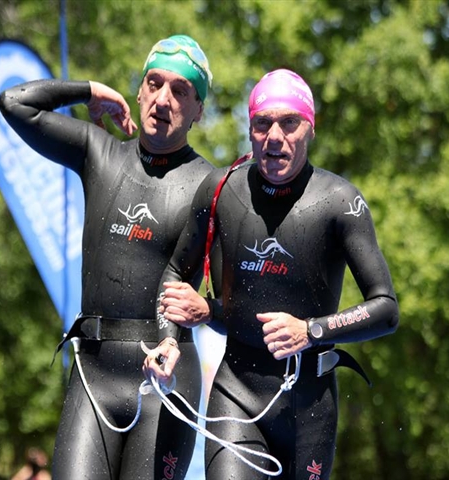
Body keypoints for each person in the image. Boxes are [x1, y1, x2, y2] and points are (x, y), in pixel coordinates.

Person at [143, 68, 399, 479]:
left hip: (309, 407)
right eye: (262, 123)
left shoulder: (339, 202)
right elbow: (176, 272)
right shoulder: (221, 188)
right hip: (236, 393)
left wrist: (310, 330)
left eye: (289, 123)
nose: (274, 136)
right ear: (250, 130)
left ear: (310, 128)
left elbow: (386, 309)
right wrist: (168, 341)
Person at [0, 35, 215, 480]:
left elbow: (245, 291)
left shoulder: (212, 187)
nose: (162, 99)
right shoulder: (99, 153)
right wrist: (89, 90)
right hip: (94, 372)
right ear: (138, 92)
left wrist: (209, 309)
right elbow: (14, 103)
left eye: (180, 91)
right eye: (153, 83)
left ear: (198, 110)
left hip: (166, 378)